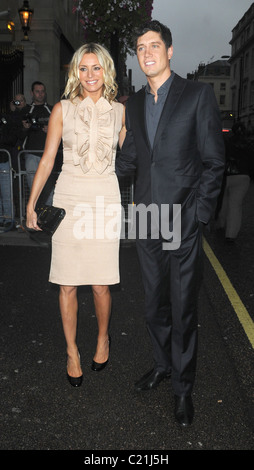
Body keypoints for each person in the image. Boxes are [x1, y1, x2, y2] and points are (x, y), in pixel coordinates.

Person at [116, 20, 225, 427]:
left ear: (170, 50)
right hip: (146, 221)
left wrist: (198, 214)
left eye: (154, 45)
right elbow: (130, 160)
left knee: (182, 310)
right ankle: (162, 365)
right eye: (141, 46)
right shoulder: (134, 104)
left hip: (183, 221)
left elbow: (214, 162)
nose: (147, 52)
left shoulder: (197, 95)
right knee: (152, 305)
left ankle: (182, 388)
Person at [26, 43, 126, 387]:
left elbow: (133, 156)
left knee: (101, 285)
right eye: (83, 69)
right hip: (69, 197)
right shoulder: (62, 109)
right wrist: (31, 202)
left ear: (106, 71)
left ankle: (102, 338)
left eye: (96, 68)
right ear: (75, 73)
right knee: (67, 284)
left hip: (105, 199)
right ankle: (71, 351)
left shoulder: (119, 112)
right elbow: (47, 160)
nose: (90, 75)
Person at [216, 122, 252, 242]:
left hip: (226, 175)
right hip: (243, 176)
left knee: (223, 200)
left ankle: (220, 223)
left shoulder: (227, 142)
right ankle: (231, 234)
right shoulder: (249, 144)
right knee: (235, 205)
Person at [22, 81, 56, 205]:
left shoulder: (52, 110)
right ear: (32, 93)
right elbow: (17, 135)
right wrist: (25, 128)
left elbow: (62, 130)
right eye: (37, 91)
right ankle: (35, 217)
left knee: (49, 189)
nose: (40, 94)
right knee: (34, 190)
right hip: (31, 153)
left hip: (48, 154)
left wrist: (51, 130)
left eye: (42, 91)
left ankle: (48, 220)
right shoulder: (26, 110)